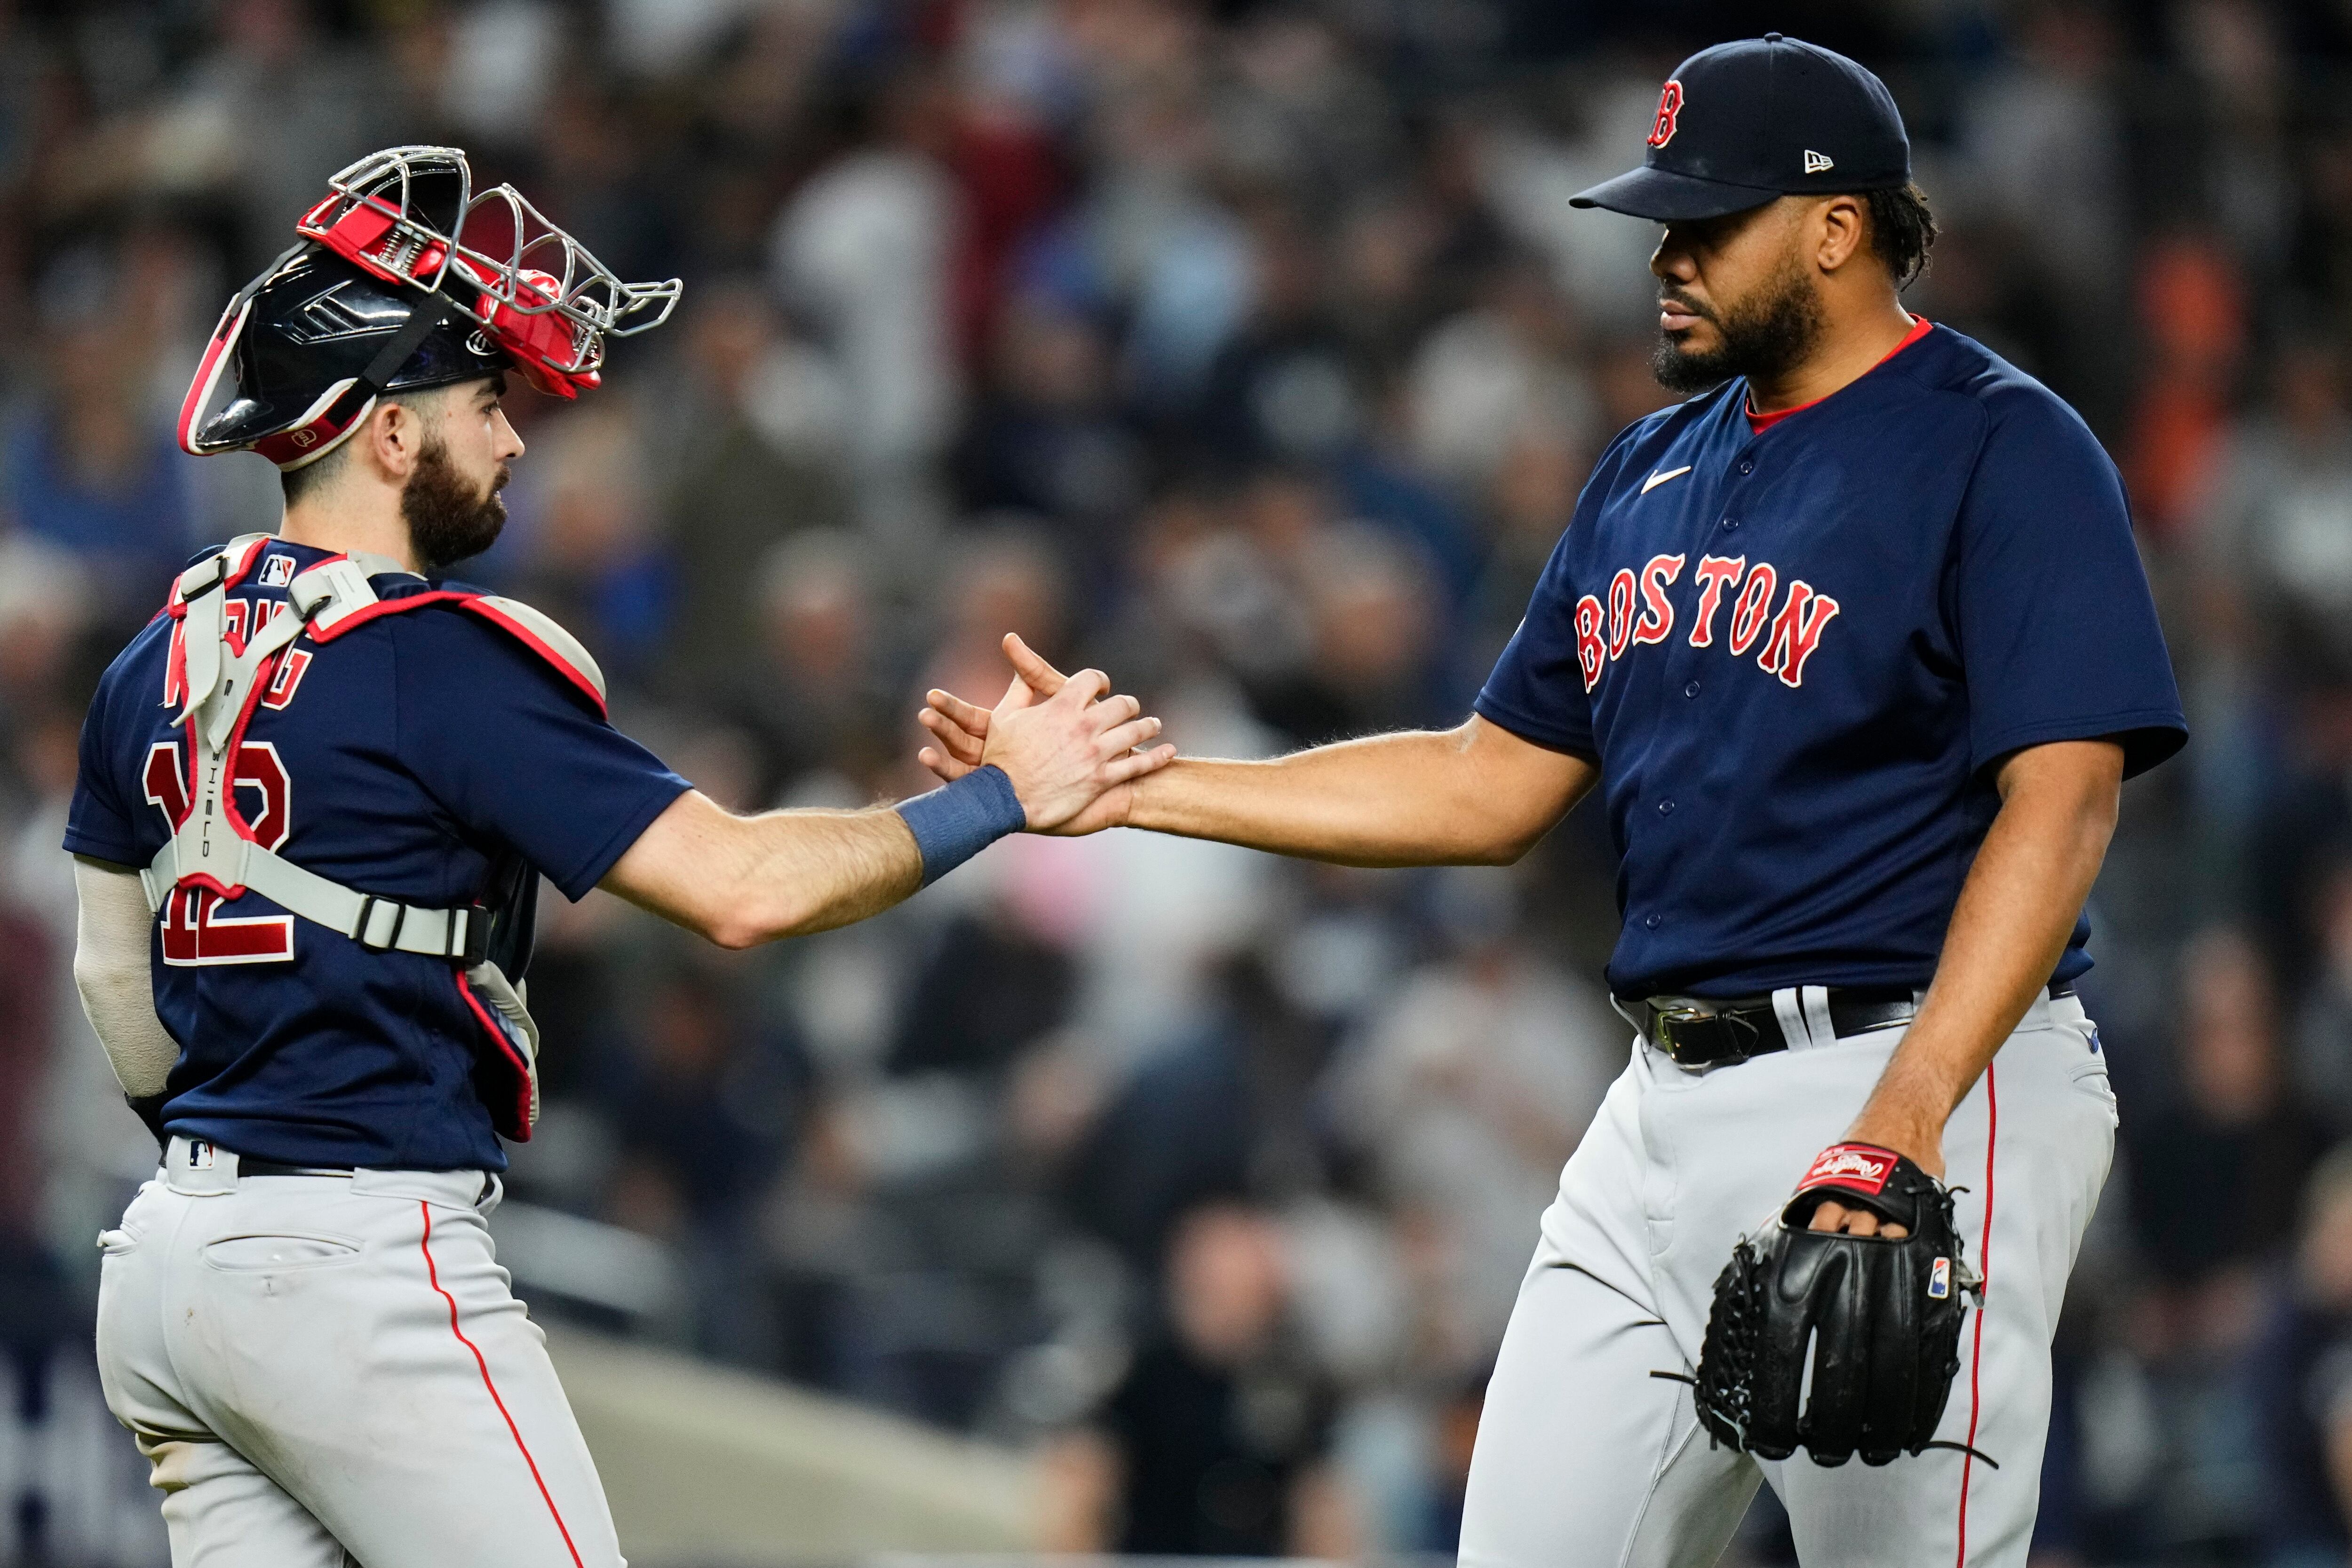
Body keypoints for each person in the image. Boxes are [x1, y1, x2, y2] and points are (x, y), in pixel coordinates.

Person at [918, 35, 2185, 1568]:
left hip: (1923, 1076)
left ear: (1841, 229)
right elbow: (1485, 779)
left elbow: (2065, 808)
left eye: (1709, 220)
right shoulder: (1647, 469)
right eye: (1662, 220)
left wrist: (1896, 1129)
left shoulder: (2003, 446)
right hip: (1659, 1098)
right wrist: (1136, 787)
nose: (1668, 255)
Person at [63, 146, 1171, 1568]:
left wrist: (230, 1171)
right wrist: (1001, 797)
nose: (516, 441)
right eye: (484, 404)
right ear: (390, 435)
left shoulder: (149, 660)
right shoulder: (439, 661)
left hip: (164, 1268)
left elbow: (114, 985)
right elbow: (745, 888)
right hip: (352, 1263)